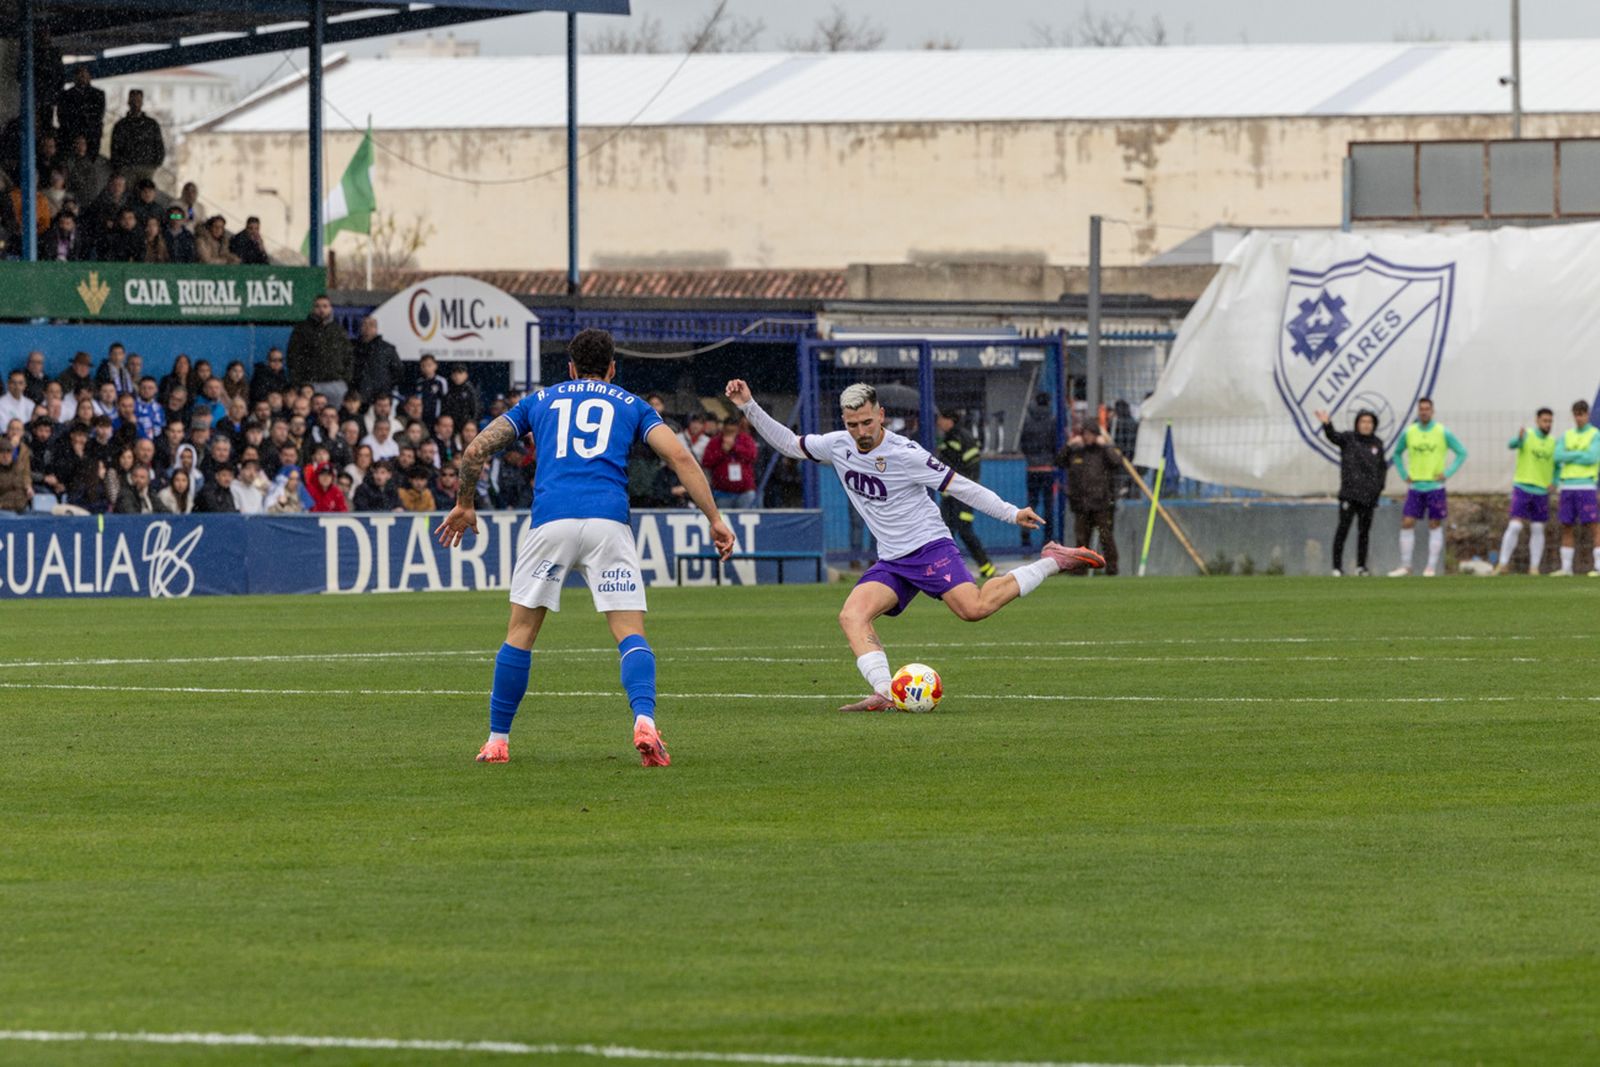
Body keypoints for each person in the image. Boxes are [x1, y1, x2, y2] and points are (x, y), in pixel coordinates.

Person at [436, 328, 735, 767]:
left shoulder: (541, 401)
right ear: (613, 368)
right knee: (630, 632)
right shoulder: (632, 404)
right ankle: (645, 719)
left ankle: (498, 740)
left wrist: (464, 503)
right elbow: (681, 458)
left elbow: (476, 448)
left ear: (570, 367)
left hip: (551, 522)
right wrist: (714, 518)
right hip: (608, 524)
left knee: (520, 634)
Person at [728, 378, 1103, 712]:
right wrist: (749, 406)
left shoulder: (905, 453)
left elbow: (961, 486)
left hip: (929, 548)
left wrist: (1011, 513)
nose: (860, 431)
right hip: (891, 559)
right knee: (851, 616)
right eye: (852, 424)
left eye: (866, 423)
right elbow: (790, 444)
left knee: (973, 609)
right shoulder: (837, 445)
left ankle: (1052, 560)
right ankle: (884, 692)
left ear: (882, 416)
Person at [1389, 397, 1467, 577]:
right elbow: (1397, 454)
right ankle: (1406, 565)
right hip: (1415, 486)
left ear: (1432, 411)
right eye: (1421, 409)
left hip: (1435, 487)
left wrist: (1447, 473)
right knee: (1407, 522)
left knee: (1434, 523)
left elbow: (1462, 453)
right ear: (1418, 411)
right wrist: (1403, 474)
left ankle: (1430, 567)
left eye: (1427, 409)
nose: (1424, 412)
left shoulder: (1442, 432)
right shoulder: (1410, 432)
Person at [1315, 407, 1388, 576]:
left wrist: (1378, 489)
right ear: (1357, 423)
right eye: (1363, 421)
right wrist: (1327, 424)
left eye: (1369, 422)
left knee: (1364, 533)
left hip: (1368, 496)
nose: (1366, 425)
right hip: (1349, 494)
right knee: (1343, 529)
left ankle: (1361, 567)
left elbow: (1381, 469)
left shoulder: (1377, 443)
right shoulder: (1349, 438)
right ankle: (1336, 567)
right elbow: (1333, 436)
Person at [933, 410, 996, 579]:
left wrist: (968, 491)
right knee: (946, 531)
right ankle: (946, 568)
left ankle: (986, 566)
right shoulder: (947, 438)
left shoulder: (963, 438)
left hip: (964, 495)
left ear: (951, 419)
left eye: (941, 418)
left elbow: (972, 467)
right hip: (949, 495)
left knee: (964, 530)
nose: (938, 422)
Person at [1495, 407, 1557, 576]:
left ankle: (1534, 568)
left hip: (1541, 491)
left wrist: (1555, 481)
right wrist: (1518, 438)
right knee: (1515, 525)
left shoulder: (1553, 442)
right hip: (1522, 487)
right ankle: (1502, 564)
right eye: (1545, 420)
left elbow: (1557, 465)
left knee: (1538, 528)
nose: (1547, 424)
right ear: (1537, 421)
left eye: (1550, 421)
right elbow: (1511, 445)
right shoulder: (1527, 435)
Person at [1060, 421, 1122, 577]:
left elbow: (1117, 462)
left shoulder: (1103, 452)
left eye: (1090, 434)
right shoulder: (1076, 452)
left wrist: (1107, 446)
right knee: (1081, 539)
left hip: (1101, 503)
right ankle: (1080, 569)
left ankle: (1112, 568)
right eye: (1085, 434)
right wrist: (1069, 445)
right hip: (1081, 504)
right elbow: (1059, 461)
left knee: (1106, 536)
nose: (1087, 437)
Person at [1550, 399, 1600, 577]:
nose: (1579, 418)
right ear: (1573, 416)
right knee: (1566, 525)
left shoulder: (1595, 434)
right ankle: (1566, 568)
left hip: (1586, 485)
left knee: (1594, 525)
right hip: (1567, 486)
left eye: (1582, 414)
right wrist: (1580, 454)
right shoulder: (1567, 435)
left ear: (1587, 414)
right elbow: (1556, 456)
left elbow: (1592, 458)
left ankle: (1599, 567)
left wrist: (1570, 455)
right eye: (1576, 415)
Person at [286, 294, 352, 404]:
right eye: (318, 306)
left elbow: (349, 356)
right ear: (313, 308)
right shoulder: (302, 329)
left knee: (335, 417)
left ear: (330, 308)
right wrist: (298, 382)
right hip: (311, 384)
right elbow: (293, 356)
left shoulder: (339, 330)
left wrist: (345, 379)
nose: (321, 309)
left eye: (325, 306)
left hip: (335, 384)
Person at [1019, 391, 1058, 547]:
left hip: (1032, 468)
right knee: (1049, 505)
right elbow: (1056, 443)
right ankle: (1048, 539)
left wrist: (1031, 457)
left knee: (1031, 503)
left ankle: (1025, 538)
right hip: (1047, 467)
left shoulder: (1027, 421)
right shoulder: (1053, 420)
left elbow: (1023, 443)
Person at [109, 89, 164, 186]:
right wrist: (120, 166)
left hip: (146, 168)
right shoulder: (121, 125)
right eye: (133, 100)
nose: (135, 104)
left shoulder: (151, 124)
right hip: (127, 169)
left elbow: (159, 146)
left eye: (138, 100)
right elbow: (114, 149)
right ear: (128, 102)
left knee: (144, 197)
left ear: (142, 102)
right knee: (127, 197)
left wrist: (154, 164)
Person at [701, 415, 758, 509]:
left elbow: (753, 456)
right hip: (722, 492)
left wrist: (735, 448)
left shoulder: (746, 439)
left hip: (744, 491)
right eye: (728, 431)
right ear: (723, 428)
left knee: (746, 517)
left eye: (733, 431)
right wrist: (722, 452)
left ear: (737, 429)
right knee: (724, 520)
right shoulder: (715, 442)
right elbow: (706, 462)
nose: (730, 433)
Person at [351, 317, 403, 405]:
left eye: (371, 325)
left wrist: (385, 387)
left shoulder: (387, 348)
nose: (367, 328)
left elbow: (398, 371)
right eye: (364, 325)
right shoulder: (352, 347)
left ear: (376, 328)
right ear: (360, 328)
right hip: (357, 396)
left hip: (380, 397)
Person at [59, 66, 106, 156]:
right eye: (80, 75)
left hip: (92, 137)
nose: (82, 77)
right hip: (70, 137)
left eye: (84, 74)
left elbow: (98, 116)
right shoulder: (66, 95)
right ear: (75, 77)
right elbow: (62, 117)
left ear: (89, 76)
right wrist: (76, 134)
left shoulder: (98, 94)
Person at [0, 418, 31, 513]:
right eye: (12, 429)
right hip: (2, 482)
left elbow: (26, 471)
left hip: (16, 485)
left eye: (18, 430)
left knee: (22, 496)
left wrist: (28, 486)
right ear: (7, 430)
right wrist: (11, 446)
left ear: (22, 433)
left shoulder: (24, 449)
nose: (14, 432)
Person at [411, 354, 447, 428]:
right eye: (423, 366)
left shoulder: (441, 381)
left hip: (436, 418)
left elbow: (445, 400)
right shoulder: (419, 382)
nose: (426, 368)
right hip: (422, 418)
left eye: (429, 365)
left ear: (435, 366)